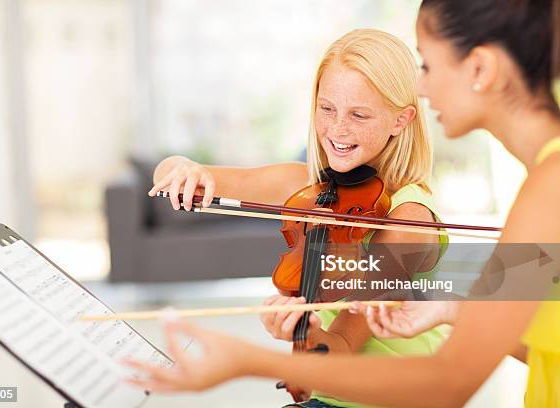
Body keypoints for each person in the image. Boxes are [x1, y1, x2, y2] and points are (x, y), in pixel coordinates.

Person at [127, 0, 560, 406]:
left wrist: (248, 361)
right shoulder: (541, 183)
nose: (421, 87)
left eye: (427, 64)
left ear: (480, 67)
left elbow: (449, 382)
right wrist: (454, 308)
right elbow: (537, 341)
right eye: (327, 108)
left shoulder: (545, 188)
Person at [149, 28, 447, 408]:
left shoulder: (410, 221)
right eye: (327, 109)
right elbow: (168, 173)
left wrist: (306, 333)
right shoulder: (308, 187)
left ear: (400, 121)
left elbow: (338, 349)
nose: (338, 128)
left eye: (359, 114)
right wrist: (182, 170)